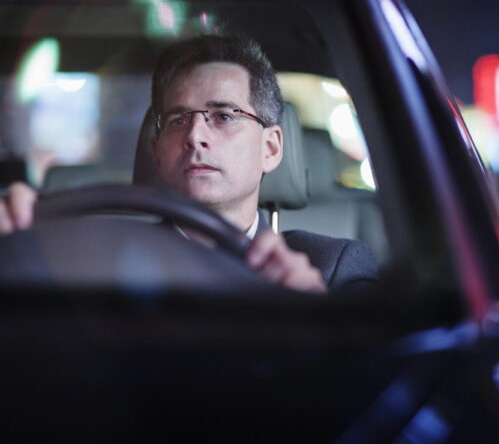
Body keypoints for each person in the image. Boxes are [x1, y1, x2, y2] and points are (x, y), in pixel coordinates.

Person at [0, 35, 377, 292]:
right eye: (178, 120)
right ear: (157, 154)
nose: (194, 135)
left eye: (224, 116)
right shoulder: (91, 259)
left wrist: (317, 320)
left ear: (271, 147)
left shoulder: (331, 267)